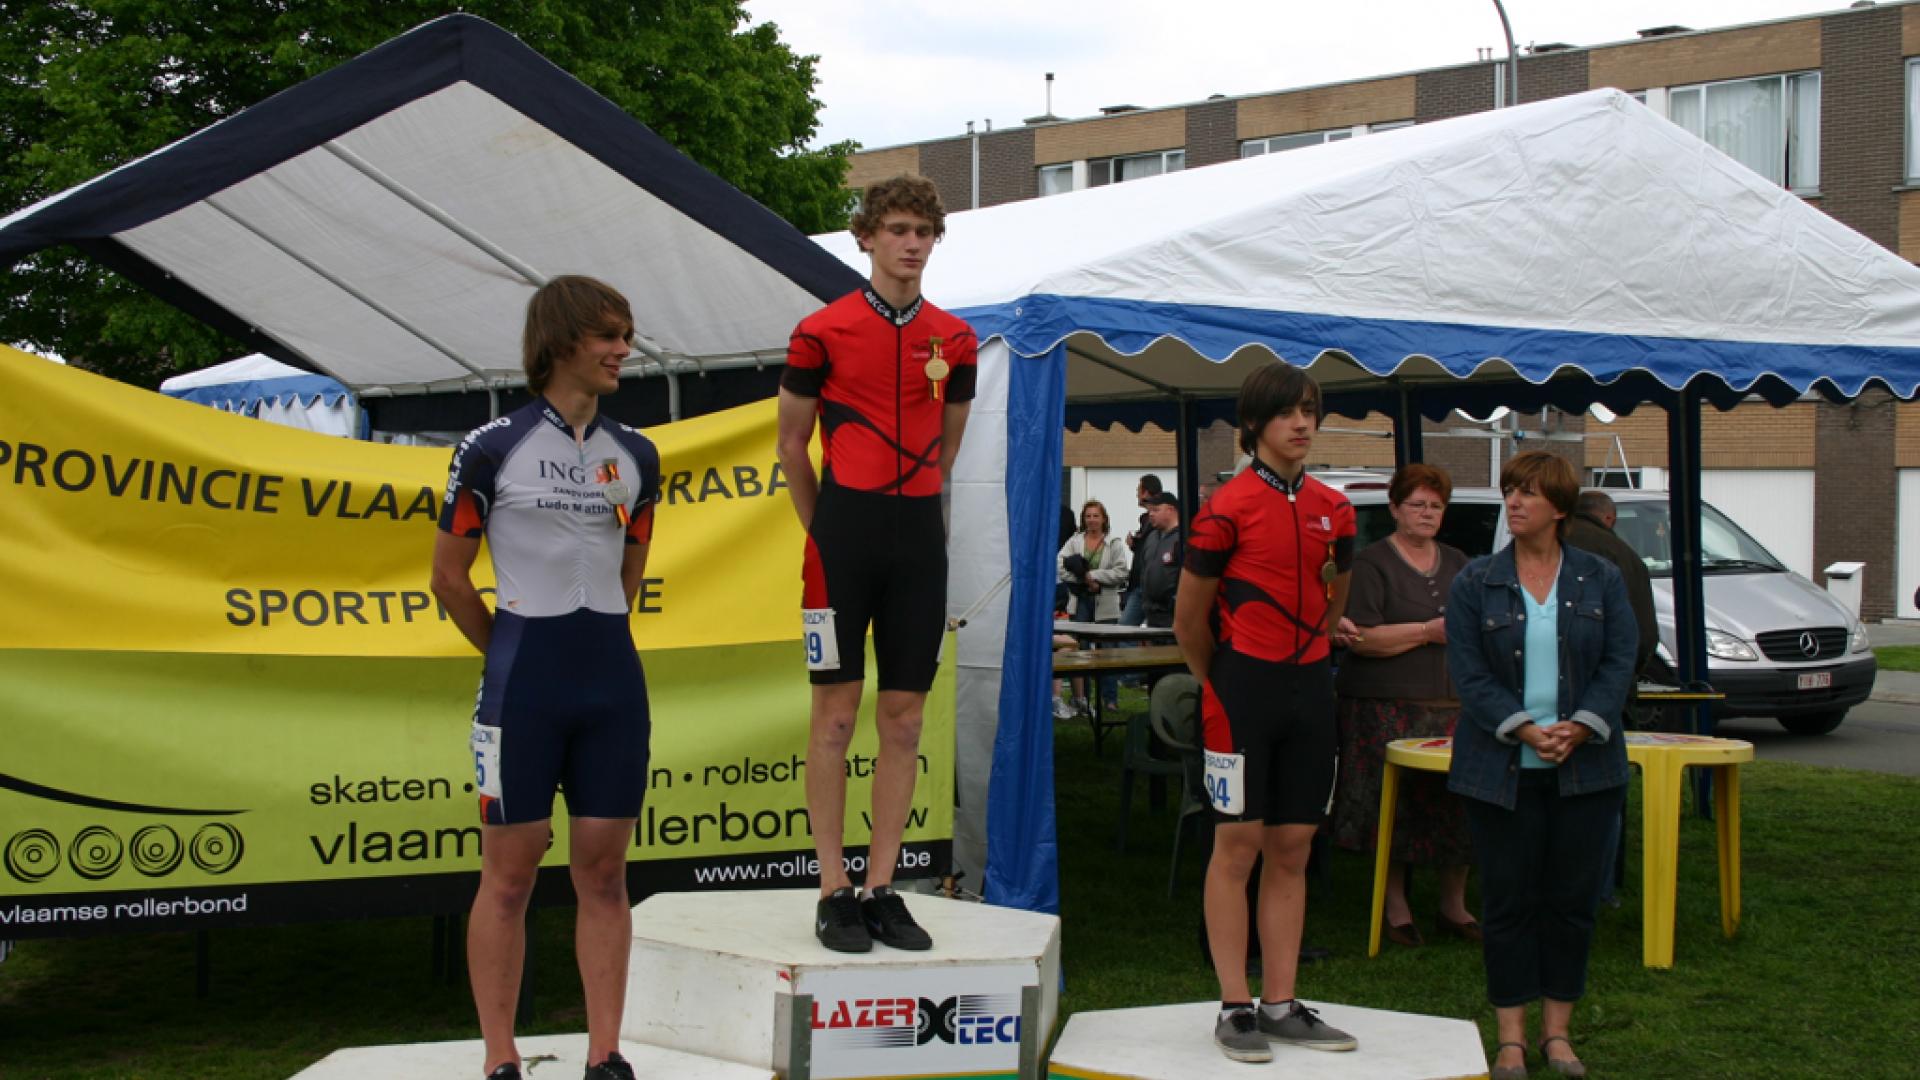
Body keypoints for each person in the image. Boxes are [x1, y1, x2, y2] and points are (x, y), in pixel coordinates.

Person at [431, 275, 662, 1080]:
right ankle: (501, 1057)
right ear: (561, 341)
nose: (624, 350)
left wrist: (593, 640)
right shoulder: (491, 447)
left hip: (611, 684)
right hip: (523, 684)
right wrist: (507, 654)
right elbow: (449, 577)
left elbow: (631, 569)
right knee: (509, 876)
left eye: (626, 334)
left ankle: (606, 1053)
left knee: (604, 871)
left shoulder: (637, 454)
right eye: (609, 335)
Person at [776, 174, 976, 954]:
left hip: (917, 539)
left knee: (904, 718)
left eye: (922, 232)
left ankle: (883, 886)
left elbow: (946, 450)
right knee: (833, 716)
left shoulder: (955, 340)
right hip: (841, 541)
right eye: (896, 229)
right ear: (865, 237)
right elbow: (792, 443)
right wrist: (824, 528)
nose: (911, 244)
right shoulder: (820, 331)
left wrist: (908, 511)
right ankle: (834, 888)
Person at [1175, 361, 1359, 1064]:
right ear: (1253, 424)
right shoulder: (1225, 507)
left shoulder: (1336, 508)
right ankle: (1234, 1004)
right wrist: (1219, 683)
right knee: (1237, 846)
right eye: (1287, 412)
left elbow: (1335, 602)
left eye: (1310, 411)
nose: (1302, 423)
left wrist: (1305, 656)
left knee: (1293, 848)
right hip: (1239, 691)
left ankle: (1280, 1003)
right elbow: (1189, 619)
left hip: (1310, 687)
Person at [1445, 451, 1637, 1080]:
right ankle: (1511, 1039)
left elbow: (1621, 659)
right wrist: (1523, 726)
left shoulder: (1600, 578)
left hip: (1587, 770)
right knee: (1507, 902)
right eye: (1509, 491)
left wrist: (1582, 725)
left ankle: (1558, 1034)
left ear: (1558, 505)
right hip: (1501, 770)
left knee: (1571, 902)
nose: (1514, 502)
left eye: (1526, 492)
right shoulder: (1476, 581)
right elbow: (1468, 672)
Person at [1329, 463, 1476, 948]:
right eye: (1417, 505)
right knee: (1392, 808)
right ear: (1395, 509)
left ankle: (1454, 906)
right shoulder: (1370, 564)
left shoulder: (1459, 561)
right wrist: (1427, 632)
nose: (1427, 513)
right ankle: (1395, 906)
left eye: (1436, 506)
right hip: (1384, 708)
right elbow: (1361, 638)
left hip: (1451, 705)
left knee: (1458, 805)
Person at [1564, 490, 1657, 679]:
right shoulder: (1624, 555)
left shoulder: (1545, 543)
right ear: (1609, 518)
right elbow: (1644, 631)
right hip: (1603, 674)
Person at [1056, 499, 1130, 717]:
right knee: (1081, 650)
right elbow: (1061, 565)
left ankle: (1110, 699)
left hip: (1105, 603)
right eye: (1088, 516)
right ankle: (1083, 699)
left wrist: (1094, 576)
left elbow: (1121, 572)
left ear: (1104, 518)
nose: (1091, 520)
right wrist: (1083, 580)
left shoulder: (1114, 543)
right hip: (1080, 601)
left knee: (1108, 652)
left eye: (1096, 516)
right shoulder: (1074, 541)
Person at [1120, 473, 1165, 626]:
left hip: (1148, 586)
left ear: (1145, 492)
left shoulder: (1157, 522)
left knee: (1126, 629)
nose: (1136, 495)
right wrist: (1135, 546)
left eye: (1138, 490)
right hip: (1141, 584)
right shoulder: (1146, 520)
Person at [1136, 492, 1184, 629]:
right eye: (1150, 510)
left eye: (1156, 510)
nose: (1151, 514)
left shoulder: (1182, 538)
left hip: (1172, 616)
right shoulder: (1151, 538)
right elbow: (1144, 569)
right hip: (1151, 613)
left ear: (1171, 510)